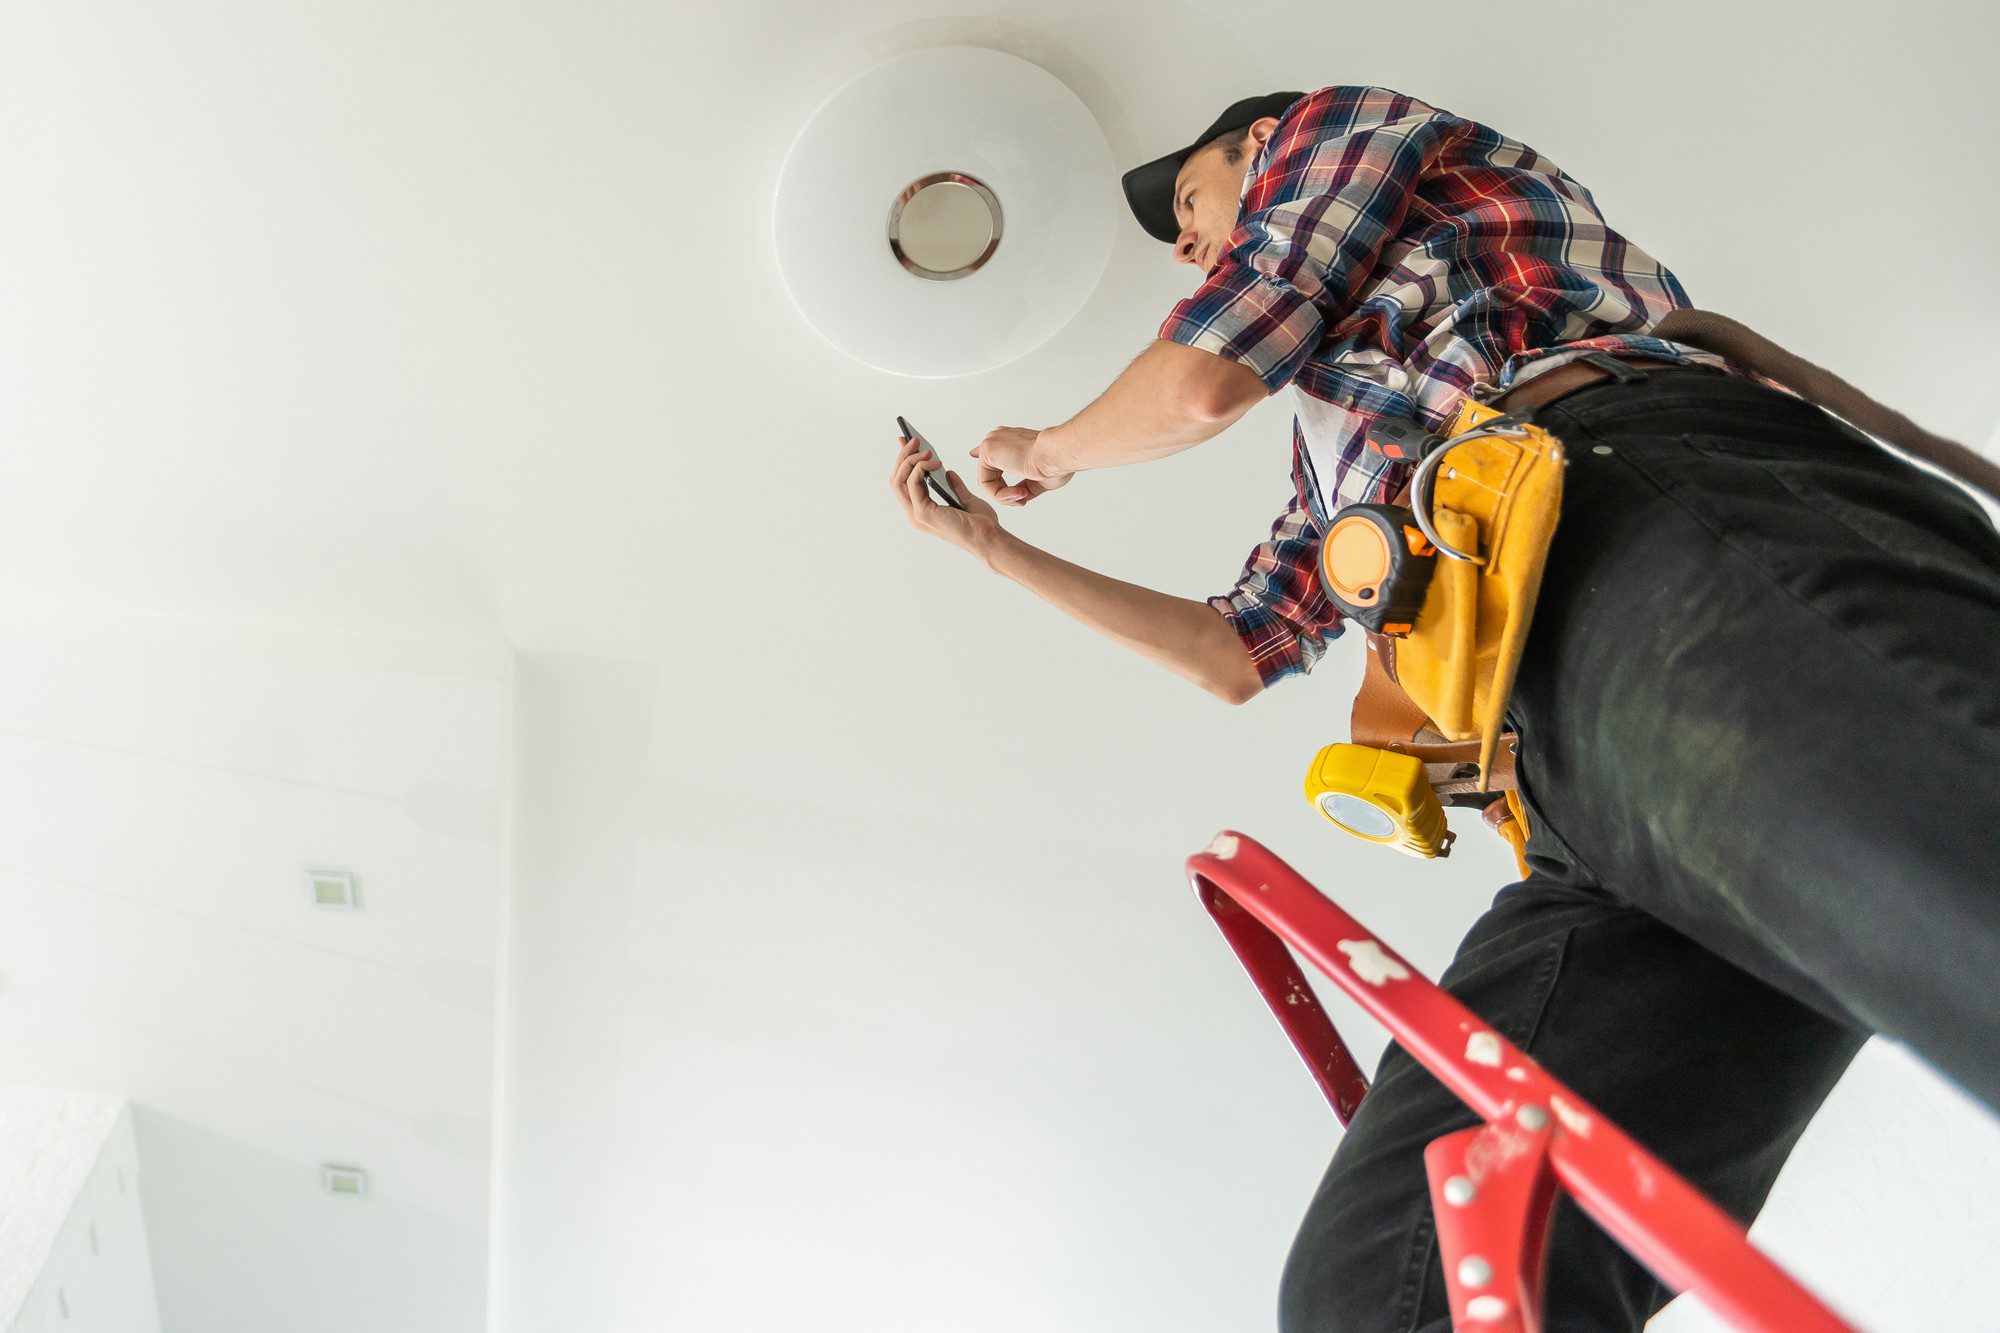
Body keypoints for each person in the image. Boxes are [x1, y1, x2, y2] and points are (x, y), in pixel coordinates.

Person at [888, 85, 2000, 1332]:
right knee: (1381, 1288)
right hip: (1562, 785)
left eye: (1187, 206)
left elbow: (1206, 374)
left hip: (1628, 510)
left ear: (1256, 149)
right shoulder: (1353, 453)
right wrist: (994, 550)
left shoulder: (1335, 125)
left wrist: (1048, 446)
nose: (1186, 243)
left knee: (1947, 864)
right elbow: (1230, 649)